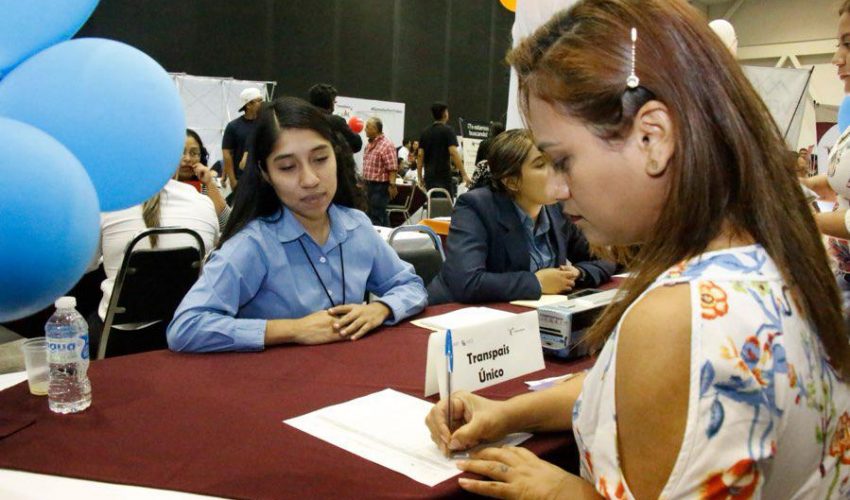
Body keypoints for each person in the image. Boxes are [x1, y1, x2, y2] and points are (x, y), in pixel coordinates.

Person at [425, 1, 850, 498]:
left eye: (563, 160)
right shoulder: (778, 251)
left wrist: (562, 492)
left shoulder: (677, 316)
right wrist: (507, 412)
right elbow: (634, 392)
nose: (559, 190)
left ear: (652, 137)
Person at [167, 97, 427, 353]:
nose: (310, 180)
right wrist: (292, 330)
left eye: (320, 159)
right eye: (288, 167)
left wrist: (380, 309)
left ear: (336, 156)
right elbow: (186, 326)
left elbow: (410, 285)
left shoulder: (356, 226)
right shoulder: (253, 245)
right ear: (266, 174)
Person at [427, 129, 615, 305]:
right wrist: (536, 282)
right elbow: (467, 282)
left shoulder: (557, 209)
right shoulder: (476, 207)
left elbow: (604, 258)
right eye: (541, 164)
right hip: (454, 315)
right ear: (511, 181)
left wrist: (578, 273)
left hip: (528, 317)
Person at [91, 130, 220, 356]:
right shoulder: (203, 203)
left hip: (119, 339)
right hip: (186, 329)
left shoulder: (108, 204)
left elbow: (85, 265)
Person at [417, 102, 471, 198]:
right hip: (443, 176)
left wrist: (420, 177)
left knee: (432, 202)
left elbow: (420, 155)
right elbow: (453, 153)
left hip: (429, 176)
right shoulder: (448, 131)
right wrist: (464, 174)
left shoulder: (425, 132)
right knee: (445, 203)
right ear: (445, 114)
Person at [222, 87, 264, 192]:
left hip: (263, 178)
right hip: (242, 179)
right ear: (248, 105)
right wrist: (232, 179)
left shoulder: (265, 124)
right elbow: (227, 154)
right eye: (259, 101)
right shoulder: (233, 126)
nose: (262, 104)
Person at [362, 117, 398, 226]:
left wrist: (392, 185)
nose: (365, 129)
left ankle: (377, 235)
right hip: (369, 185)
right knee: (374, 214)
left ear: (375, 129)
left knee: (376, 215)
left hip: (380, 186)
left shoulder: (386, 145)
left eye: (368, 127)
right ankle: (388, 234)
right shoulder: (369, 145)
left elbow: (392, 167)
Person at [308, 83, 363, 154]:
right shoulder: (336, 122)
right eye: (334, 101)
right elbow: (356, 144)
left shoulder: (303, 119)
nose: (334, 104)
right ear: (330, 102)